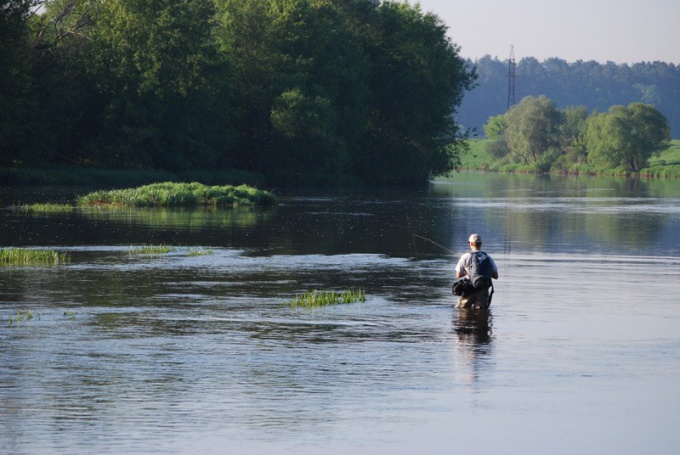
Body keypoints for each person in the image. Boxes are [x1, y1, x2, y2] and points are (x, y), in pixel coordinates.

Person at [454, 234, 499, 309]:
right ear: (481, 244)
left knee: (462, 312)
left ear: (470, 243)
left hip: (468, 289)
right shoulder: (488, 257)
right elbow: (496, 276)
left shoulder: (465, 256)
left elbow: (458, 275)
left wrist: (466, 272)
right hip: (483, 290)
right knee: (480, 315)